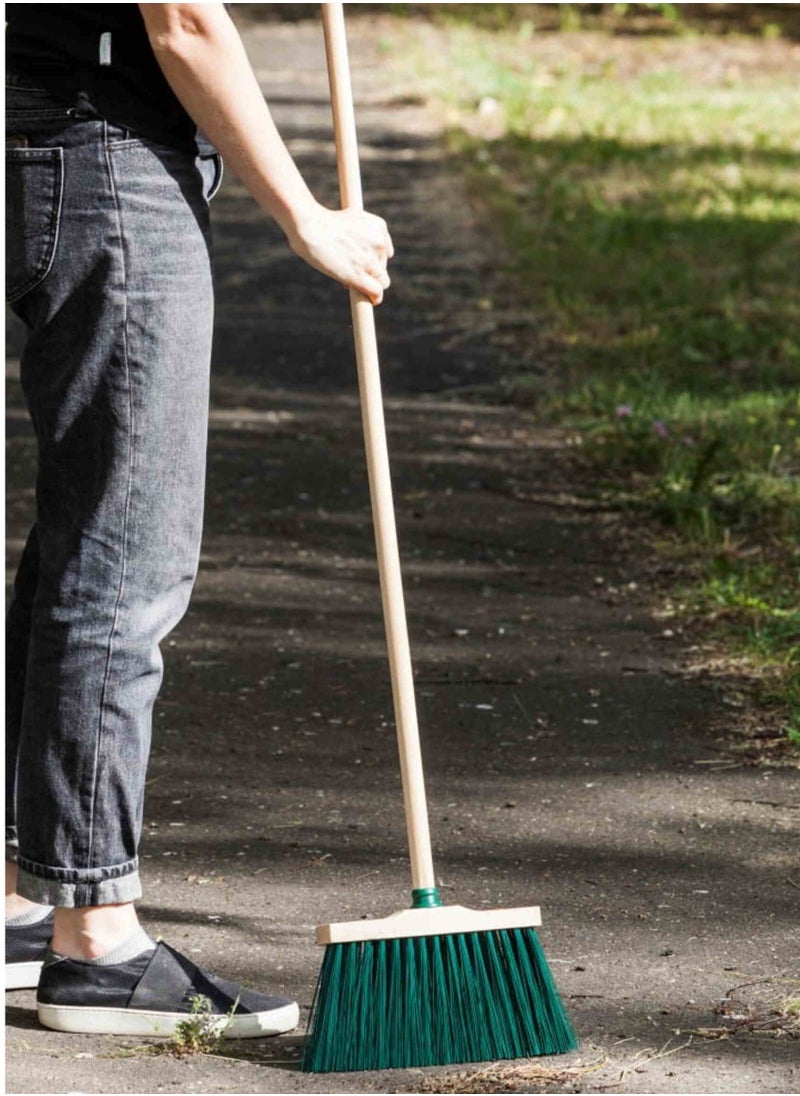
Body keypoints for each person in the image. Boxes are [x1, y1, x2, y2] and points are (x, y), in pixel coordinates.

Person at [5, 3, 393, 1037]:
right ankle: (97, 939)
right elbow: (182, 22)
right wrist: (305, 214)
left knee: (75, 545)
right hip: (102, 153)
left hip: (34, 125)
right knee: (122, 552)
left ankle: (20, 900)